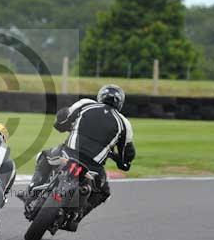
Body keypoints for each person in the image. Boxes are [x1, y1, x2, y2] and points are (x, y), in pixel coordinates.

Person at [22, 84, 135, 231]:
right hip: (93, 169)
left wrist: (62, 124)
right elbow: (128, 153)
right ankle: (77, 216)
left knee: (44, 156)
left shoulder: (86, 104)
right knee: (103, 192)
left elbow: (63, 118)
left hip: (67, 154)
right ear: (120, 103)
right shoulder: (124, 123)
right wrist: (123, 162)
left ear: (100, 96)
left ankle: (31, 191)